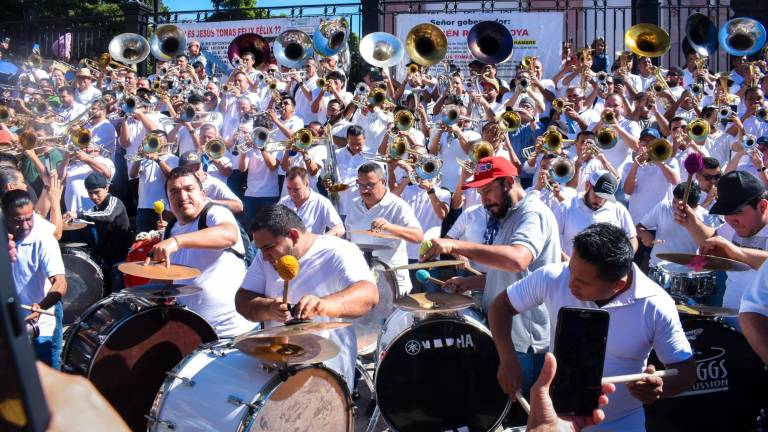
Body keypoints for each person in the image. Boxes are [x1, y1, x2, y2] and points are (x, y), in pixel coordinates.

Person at [489, 223, 696, 431]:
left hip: (622, 424)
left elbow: (685, 371)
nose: (570, 284)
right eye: (570, 270)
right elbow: (501, 306)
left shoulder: (656, 305)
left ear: (618, 285)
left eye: (582, 282)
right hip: (557, 421)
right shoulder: (551, 277)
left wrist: (658, 387)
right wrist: (507, 358)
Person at [421, 156, 561, 396]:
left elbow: (518, 259)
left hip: (524, 342)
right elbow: (512, 274)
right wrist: (470, 282)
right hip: (508, 335)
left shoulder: (532, 213)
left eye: (487, 191)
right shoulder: (507, 216)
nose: (483, 200)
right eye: (480, 193)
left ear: (508, 182)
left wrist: (455, 245)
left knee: (520, 416)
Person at [234, 204, 378, 390]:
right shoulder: (265, 258)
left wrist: (324, 305)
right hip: (280, 368)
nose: (264, 255)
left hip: (328, 371)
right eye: (260, 249)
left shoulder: (339, 251)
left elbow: (369, 295)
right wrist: (267, 308)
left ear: (293, 236)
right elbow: (242, 300)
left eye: (268, 247)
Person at [149, 166, 254, 337]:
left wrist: (177, 242)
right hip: (193, 330)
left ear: (203, 194)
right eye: (174, 192)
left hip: (234, 332)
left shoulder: (215, 213)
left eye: (189, 189)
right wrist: (135, 297)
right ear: (168, 201)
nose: (182, 196)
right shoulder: (170, 229)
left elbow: (229, 235)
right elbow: (164, 280)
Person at [675, 170, 768, 312]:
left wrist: (737, 252)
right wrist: (692, 223)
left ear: (762, 206)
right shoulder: (737, 224)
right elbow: (713, 238)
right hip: (730, 320)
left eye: (737, 212)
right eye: (726, 213)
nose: (731, 220)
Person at [3, 189, 67, 368]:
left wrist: (42, 306)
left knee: (46, 382)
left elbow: (60, 282)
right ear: (5, 216)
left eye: (28, 218)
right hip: (7, 324)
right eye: (17, 221)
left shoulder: (44, 239)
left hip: (38, 327)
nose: (24, 226)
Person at [346, 162, 424, 295]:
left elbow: (418, 236)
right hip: (363, 281)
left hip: (392, 283)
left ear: (383, 182)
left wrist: (390, 227)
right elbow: (349, 238)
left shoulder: (398, 206)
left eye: (370, 185)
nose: (364, 190)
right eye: (360, 185)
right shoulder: (354, 205)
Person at [63, 172, 131, 293]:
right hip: (107, 258)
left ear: (107, 188)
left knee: (117, 293)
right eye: (90, 193)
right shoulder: (96, 208)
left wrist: (78, 214)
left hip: (120, 259)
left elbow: (107, 216)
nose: (94, 197)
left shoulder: (114, 201)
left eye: (97, 192)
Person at [555, 170, 637, 259]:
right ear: (587, 185)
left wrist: (622, 260)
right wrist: (568, 262)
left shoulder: (619, 210)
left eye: (606, 197)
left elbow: (632, 239)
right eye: (597, 195)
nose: (600, 201)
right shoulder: (566, 207)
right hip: (569, 269)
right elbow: (551, 239)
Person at [279, 166, 344, 236]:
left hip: (313, 245)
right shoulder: (283, 202)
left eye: (297, 189)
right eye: (289, 188)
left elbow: (339, 227)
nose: (292, 193)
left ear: (307, 185)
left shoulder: (321, 202)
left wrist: (322, 241)